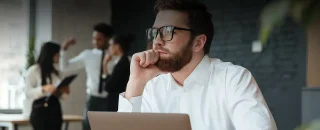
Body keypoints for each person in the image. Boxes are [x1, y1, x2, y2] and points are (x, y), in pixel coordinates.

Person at [118, 0, 277, 130]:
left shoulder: (233, 80)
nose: (157, 41)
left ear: (198, 42)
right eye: (154, 33)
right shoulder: (153, 87)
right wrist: (136, 82)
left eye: (168, 31)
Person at [59, 22, 115, 130]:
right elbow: (65, 67)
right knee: (87, 127)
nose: (95, 42)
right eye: (94, 39)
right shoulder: (88, 55)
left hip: (110, 99)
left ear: (108, 39)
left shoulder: (115, 56)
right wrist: (64, 49)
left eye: (99, 39)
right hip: (92, 99)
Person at [24, 42, 70, 130]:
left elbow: (63, 96)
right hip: (40, 110)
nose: (59, 56)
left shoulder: (57, 73)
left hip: (55, 109)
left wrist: (64, 91)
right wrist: (43, 89)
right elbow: (28, 92)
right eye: (57, 54)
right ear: (51, 54)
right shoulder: (34, 70)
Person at [101, 34, 133, 111]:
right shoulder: (122, 61)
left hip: (117, 103)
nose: (109, 48)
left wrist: (104, 64)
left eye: (110, 45)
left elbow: (108, 86)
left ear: (117, 46)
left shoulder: (122, 63)